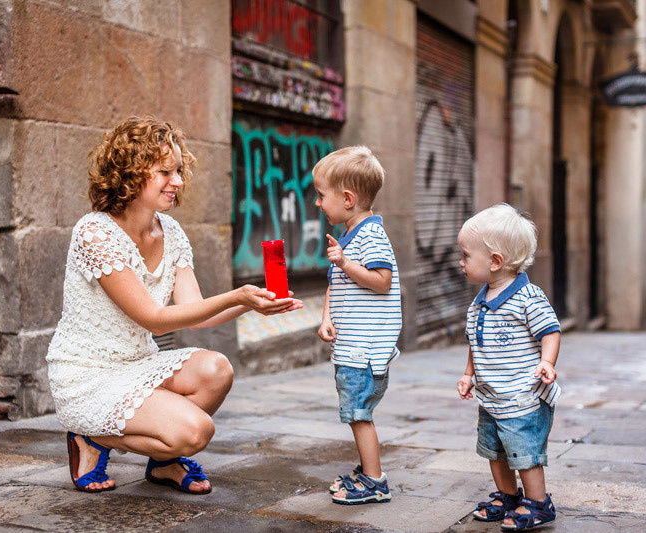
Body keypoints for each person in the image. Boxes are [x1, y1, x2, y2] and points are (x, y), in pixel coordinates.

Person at [46, 117, 302, 494]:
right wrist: (235, 295)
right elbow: (155, 320)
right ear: (130, 173)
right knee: (196, 430)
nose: (178, 181)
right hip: (88, 374)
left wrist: (253, 303)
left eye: (179, 170)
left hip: (138, 364)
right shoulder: (94, 232)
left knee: (217, 369)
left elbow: (195, 313)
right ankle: (91, 437)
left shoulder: (171, 232)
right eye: (165, 171)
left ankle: (164, 463)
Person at [455, 204, 561, 530]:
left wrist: (547, 362)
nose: (461, 262)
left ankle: (539, 503)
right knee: (494, 450)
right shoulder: (480, 301)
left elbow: (550, 331)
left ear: (496, 261)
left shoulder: (528, 297)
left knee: (524, 452)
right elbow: (477, 342)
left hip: (523, 397)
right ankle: (508, 496)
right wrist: (469, 374)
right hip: (492, 397)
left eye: (466, 255)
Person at [313, 146, 401, 505]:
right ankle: (367, 471)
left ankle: (375, 481)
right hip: (351, 345)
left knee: (358, 415)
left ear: (347, 199)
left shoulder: (371, 237)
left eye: (321, 195)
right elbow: (337, 283)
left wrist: (347, 263)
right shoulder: (351, 235)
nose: (318, 204)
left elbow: (381, 280)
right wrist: (326, 316)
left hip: (365, 351)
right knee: (355, 412)